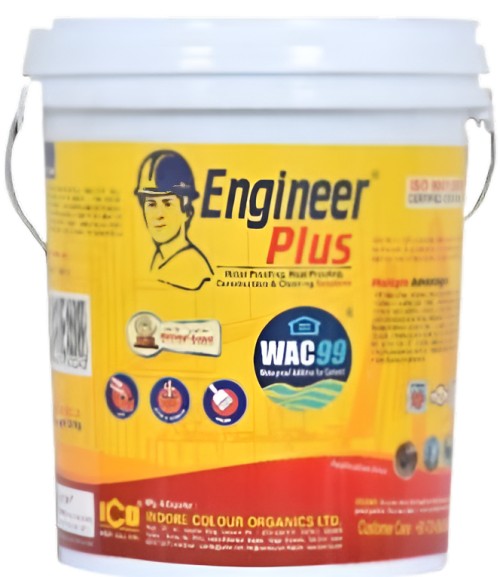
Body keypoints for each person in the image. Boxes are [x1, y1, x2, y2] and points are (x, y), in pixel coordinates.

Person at [135, 150, 213, 290]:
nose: (159, 215)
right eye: (151, 204)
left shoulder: (192, 268)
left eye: (167, 204)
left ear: (187, 211)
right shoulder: (160, 258)